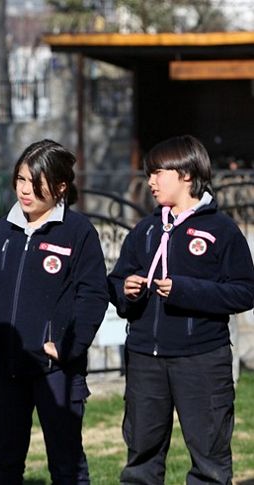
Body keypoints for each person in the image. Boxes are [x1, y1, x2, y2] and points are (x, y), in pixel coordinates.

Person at [108, 135, 254, 484]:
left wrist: (185, 291)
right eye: (149, 174)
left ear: (187, 174)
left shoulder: (222, 230)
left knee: (209, 462)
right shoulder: (144, 231)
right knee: (141, 458)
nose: (151, 181)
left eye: (159, 172)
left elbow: (244, 292)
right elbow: (114, 282)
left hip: (201, 359)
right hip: (145, 358)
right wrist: (126, 290)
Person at [0, 140, 108, 485]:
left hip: (55, 370)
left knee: (67, 465)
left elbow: (93, 295)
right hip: (4, 368)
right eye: (21, 180)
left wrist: (67, 345)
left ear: (60, 187)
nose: (25, 190)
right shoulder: (2, 230)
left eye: (35, 183)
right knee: (1, 463)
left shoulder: (78, 232)